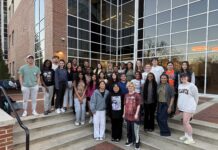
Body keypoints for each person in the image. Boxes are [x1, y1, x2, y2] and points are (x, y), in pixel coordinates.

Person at [177, 73, 199, 145]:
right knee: (184, 122)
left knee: (186, 122)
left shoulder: (192, 86)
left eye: (184, 77)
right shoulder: (180, 85)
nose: (183, 78)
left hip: (189, 106)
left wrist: (194, 108)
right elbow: (180, 96)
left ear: (187, 77)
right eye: (181, 77)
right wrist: (178, 105)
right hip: (183, 106)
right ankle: (186, 135)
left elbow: (196, 97)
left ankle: (191, 138)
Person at [123, 82, 141, 150]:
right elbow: (124, 105)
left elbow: (139, 105)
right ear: (127, 87)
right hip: (127, 115)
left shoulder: (137, 95)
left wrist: (136, 114)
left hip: (135, 116)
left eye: (131, 86)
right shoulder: (126, 95)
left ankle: (137, 143)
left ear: (134, 87)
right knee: (129, 130)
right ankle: (129, 141)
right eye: (129, 86)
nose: (130, 87)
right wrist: (124, 113)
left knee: (136, 130)